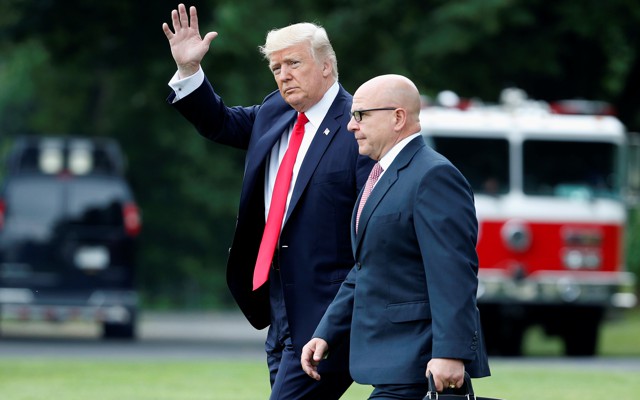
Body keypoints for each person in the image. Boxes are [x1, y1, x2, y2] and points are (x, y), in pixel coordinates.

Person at [162, 4, 374, 399]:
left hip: (328, 312)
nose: (283, 75)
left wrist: (341, 316)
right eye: (276, 68)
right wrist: (189, 70)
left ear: (326, 66)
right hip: (278, 305)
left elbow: (371, 229)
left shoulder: (359, 127)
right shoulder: (275, 110)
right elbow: (220, 123)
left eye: (293, 63)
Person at [301, 74, 490, 399]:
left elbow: (453, 273)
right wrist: (327, 332)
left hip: (421, 364)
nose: (351, 126)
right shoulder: (380, 175)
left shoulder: (434, 176)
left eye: (361, 115)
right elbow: (366, 266)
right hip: (391, 363)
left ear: (398, 117)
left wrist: (451, 353)